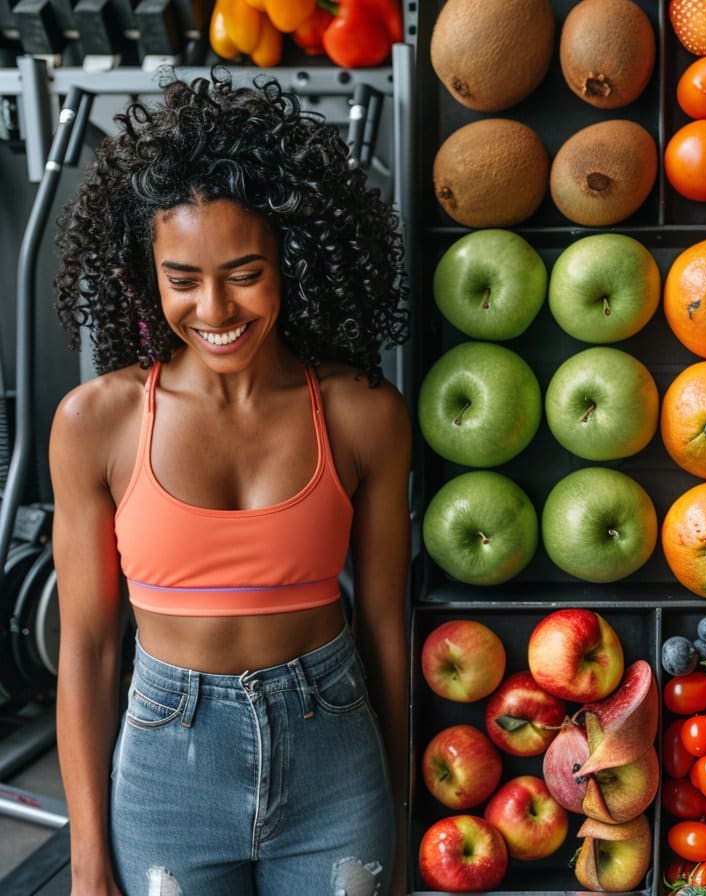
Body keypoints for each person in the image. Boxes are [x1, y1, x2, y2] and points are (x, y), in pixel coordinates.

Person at [48, 71, 412, 896]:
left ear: (293, 259)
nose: (215, 307)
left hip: (334, 760)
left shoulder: (362, 415)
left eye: (245, 272)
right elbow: (91, 648)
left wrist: (399, 802)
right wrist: (87, 858)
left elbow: (387, 628)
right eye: (183, 279)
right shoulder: (94, 424)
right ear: (147, 274)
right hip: (166, 770)